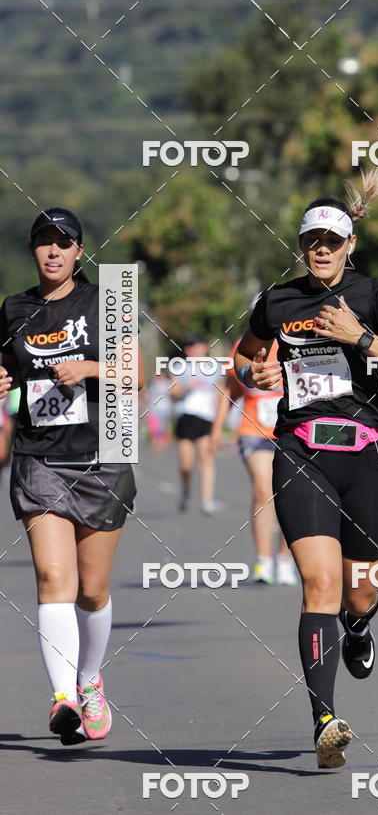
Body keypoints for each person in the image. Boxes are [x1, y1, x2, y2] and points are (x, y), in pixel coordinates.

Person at [234, 170, 378, 768]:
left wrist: (363, 338)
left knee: (358, 589)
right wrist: (256, 376)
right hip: (301, 452)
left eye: (332, 240)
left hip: (369, 456)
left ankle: (358, 626)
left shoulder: (375, 295)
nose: (321, 249)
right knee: (318, 584)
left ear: (350, 245)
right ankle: (325, 718)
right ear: (300, 246)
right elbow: (244, 357)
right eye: (311, 240)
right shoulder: (277, 301)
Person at [0, 207, 144, 746]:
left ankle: (89, 680)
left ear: (80, 251)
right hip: (38, 459)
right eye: (44, 242)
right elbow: (7, 366)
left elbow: (136, 371)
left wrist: (89, 369)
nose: (54, 251)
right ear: (34, 250)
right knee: (51, 580)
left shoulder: (105, 300)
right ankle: (63, 699)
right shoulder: (13, 308)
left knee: (92, 589)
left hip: (101, 457)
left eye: (64, 243)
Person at [211, 305, 297, 586]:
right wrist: (217, 427)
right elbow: (230, 388)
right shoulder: (243, 346)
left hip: (293, 430)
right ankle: (263, 561)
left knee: (291, 494)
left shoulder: (298, 343)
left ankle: (285, 559)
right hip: (253, 429)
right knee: (264, 488)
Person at [170, 336, 221, 515]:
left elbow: (219, 393)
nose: (198, 350)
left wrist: (219, 424)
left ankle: (207, 501)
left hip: (206, 417)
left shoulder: (213, 368)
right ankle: (185, 492)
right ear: (188, 350)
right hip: (186, 417)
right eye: (194, 347)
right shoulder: (180, 367)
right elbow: (173, 392)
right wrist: (186, 387)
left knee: (206, 459)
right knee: (186, 464)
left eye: (201, 347)